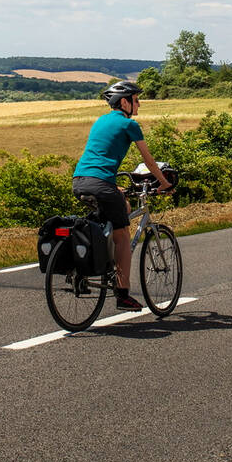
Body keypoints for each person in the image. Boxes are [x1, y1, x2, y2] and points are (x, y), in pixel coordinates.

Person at [72, 80, 172, 310]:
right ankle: (123, 294)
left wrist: (113, 186)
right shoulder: (130, 125)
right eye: (136, 100)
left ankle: (97, 263)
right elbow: (148, 161)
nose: (139, 104)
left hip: (80, 181)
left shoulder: (100, 121)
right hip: (100, 184)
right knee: (123, 235)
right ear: (124, 102)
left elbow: (98, 159)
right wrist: (164, 183)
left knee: (121, 208)